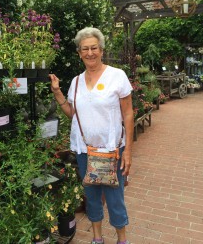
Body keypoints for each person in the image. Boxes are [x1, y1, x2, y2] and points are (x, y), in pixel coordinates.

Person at [49, 27, 134, 244]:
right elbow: (72, 114)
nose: (90, 53)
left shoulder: (117, 76)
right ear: (79, 53)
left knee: (115, 198)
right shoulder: (76, 82)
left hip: (112, 150)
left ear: (101, 50)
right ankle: (97, 237)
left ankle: (121, 239)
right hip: (84, 150)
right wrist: (58, 92)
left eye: (94, 48)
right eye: (85, 49)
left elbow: (128, 113)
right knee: (92, 196)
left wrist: (128, 152)